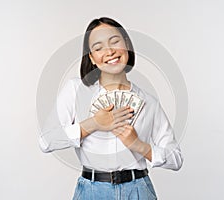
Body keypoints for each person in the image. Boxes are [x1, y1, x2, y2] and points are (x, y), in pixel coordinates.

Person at [38, 17, 183, 200]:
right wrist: (93, 124)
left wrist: (139, 145)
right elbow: (46, 141)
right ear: (92, 58)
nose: (109, 51)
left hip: (138, 190)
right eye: (98, 48)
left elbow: (176, 159)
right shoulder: (76, 90)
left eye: (115, 42)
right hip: (92, 191)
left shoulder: (148, 101)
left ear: (127, 45)